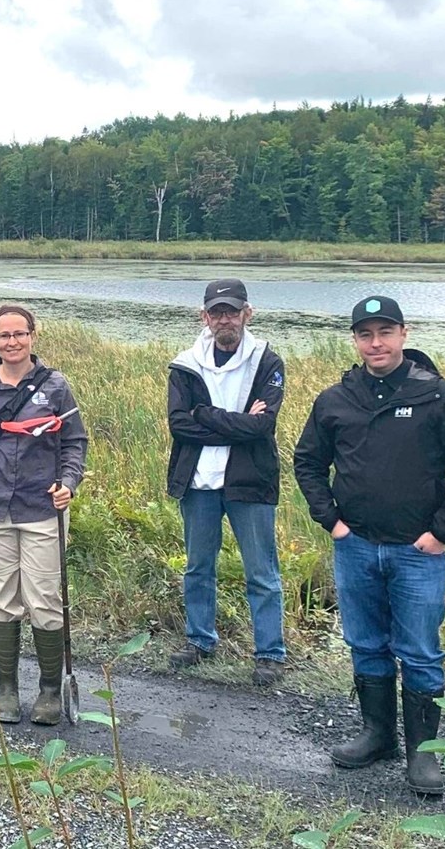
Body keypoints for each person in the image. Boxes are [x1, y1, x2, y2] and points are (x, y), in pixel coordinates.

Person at [293, 295, 445, 797]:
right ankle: (378, 735)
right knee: (365, 644)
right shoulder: (335, 399)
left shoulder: (440, 396)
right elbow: (308, 463)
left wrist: (444, 531)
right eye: (365, 334)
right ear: (355, 340)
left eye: (385, 332)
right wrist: (331, 521)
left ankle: (423, 756)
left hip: (418, 551)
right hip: (355, 545)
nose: (375, 343)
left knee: (421, 653)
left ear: (404, 334)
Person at [0, 305, 88, 726]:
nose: (12, 342)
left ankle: (48, 691)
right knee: (1, 598)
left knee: (45, 600)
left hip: (42, 508)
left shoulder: (56, 387)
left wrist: (68, 482)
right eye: (3, 335)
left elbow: (75, 443)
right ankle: (7, 689)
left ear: (33, 335)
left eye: (20, 334)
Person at [165, 278, 288, 686]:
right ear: (204, 317)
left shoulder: (267, 362)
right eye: (216, 312)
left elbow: (262, 426)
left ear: (247, 314)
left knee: (261, 572)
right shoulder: (186, 364)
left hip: (248, 482)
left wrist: (206, 415)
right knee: (199, 567)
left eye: (232, 312)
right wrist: (238, 423)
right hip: (199, 482)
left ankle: (270, 653)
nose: (224, 320)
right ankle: (200, 641)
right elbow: (180, 425)